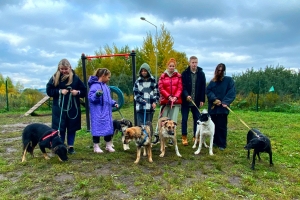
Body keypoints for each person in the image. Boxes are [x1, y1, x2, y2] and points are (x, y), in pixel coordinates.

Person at [46, 58, 86, 154]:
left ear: (70, 68)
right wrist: (59, 91)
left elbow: (84, 90)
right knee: (60, 128)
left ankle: (70, 146)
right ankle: (60, 145)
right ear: (59, 68)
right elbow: (49, 91)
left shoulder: (75, 78)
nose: (64, 71)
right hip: (59, 108)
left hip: (73, 107)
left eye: (65, 69)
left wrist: (77, 92)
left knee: (72, 127)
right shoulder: (54, 78)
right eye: (62, 69)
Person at [88, 68, 119, 153]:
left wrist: (114, 103)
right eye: (108, 77)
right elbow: (91, 98)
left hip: (106, 111)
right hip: (97, 112)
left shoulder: (106, 87)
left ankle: (108, 145)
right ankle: (96, 146)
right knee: (97, 128)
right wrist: (96, 95)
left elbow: (107, 99)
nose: (109, 79)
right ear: (103, 76)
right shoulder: (94, 86)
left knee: (108, 128)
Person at [206, 63, 236, 151]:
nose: (219, 72)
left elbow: (232, 92)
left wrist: (225, 101)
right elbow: (208, 91)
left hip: (223, 108)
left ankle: (222, 143)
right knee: (213, 126)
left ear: (224, 71)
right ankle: (215, 142)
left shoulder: (229, 80)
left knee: (222, 126)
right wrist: (214, 99)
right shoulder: (212, 81)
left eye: (221, 70)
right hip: (213, 108)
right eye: (218, 70)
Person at [155, 58, 182, 144]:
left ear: (175, 67)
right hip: (165, 101)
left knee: (173, 120)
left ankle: (171, 137)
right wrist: (169, 96)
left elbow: (180, 88)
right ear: (167, 66)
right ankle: (157, 136)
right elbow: (161, 87)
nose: (171, 67)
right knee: (162, 119)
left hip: (176, 102)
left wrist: (175, 97)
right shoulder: (163, 76)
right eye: (170, 66)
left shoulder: (178, 76)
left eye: (173, 66)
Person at [181, 56, 206, 146]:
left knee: (197, 120)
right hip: (185, 101)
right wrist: (186, 95)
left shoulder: (201, 74)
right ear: (189, 63)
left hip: (196, 101)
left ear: (197, 63)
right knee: (184, 119)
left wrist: (202, 99)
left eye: (196, 62)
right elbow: (182, 87)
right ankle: (184, 137)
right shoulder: (184, 73)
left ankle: (196, 136)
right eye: (193, 62)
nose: (194, 64)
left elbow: (203, 87)